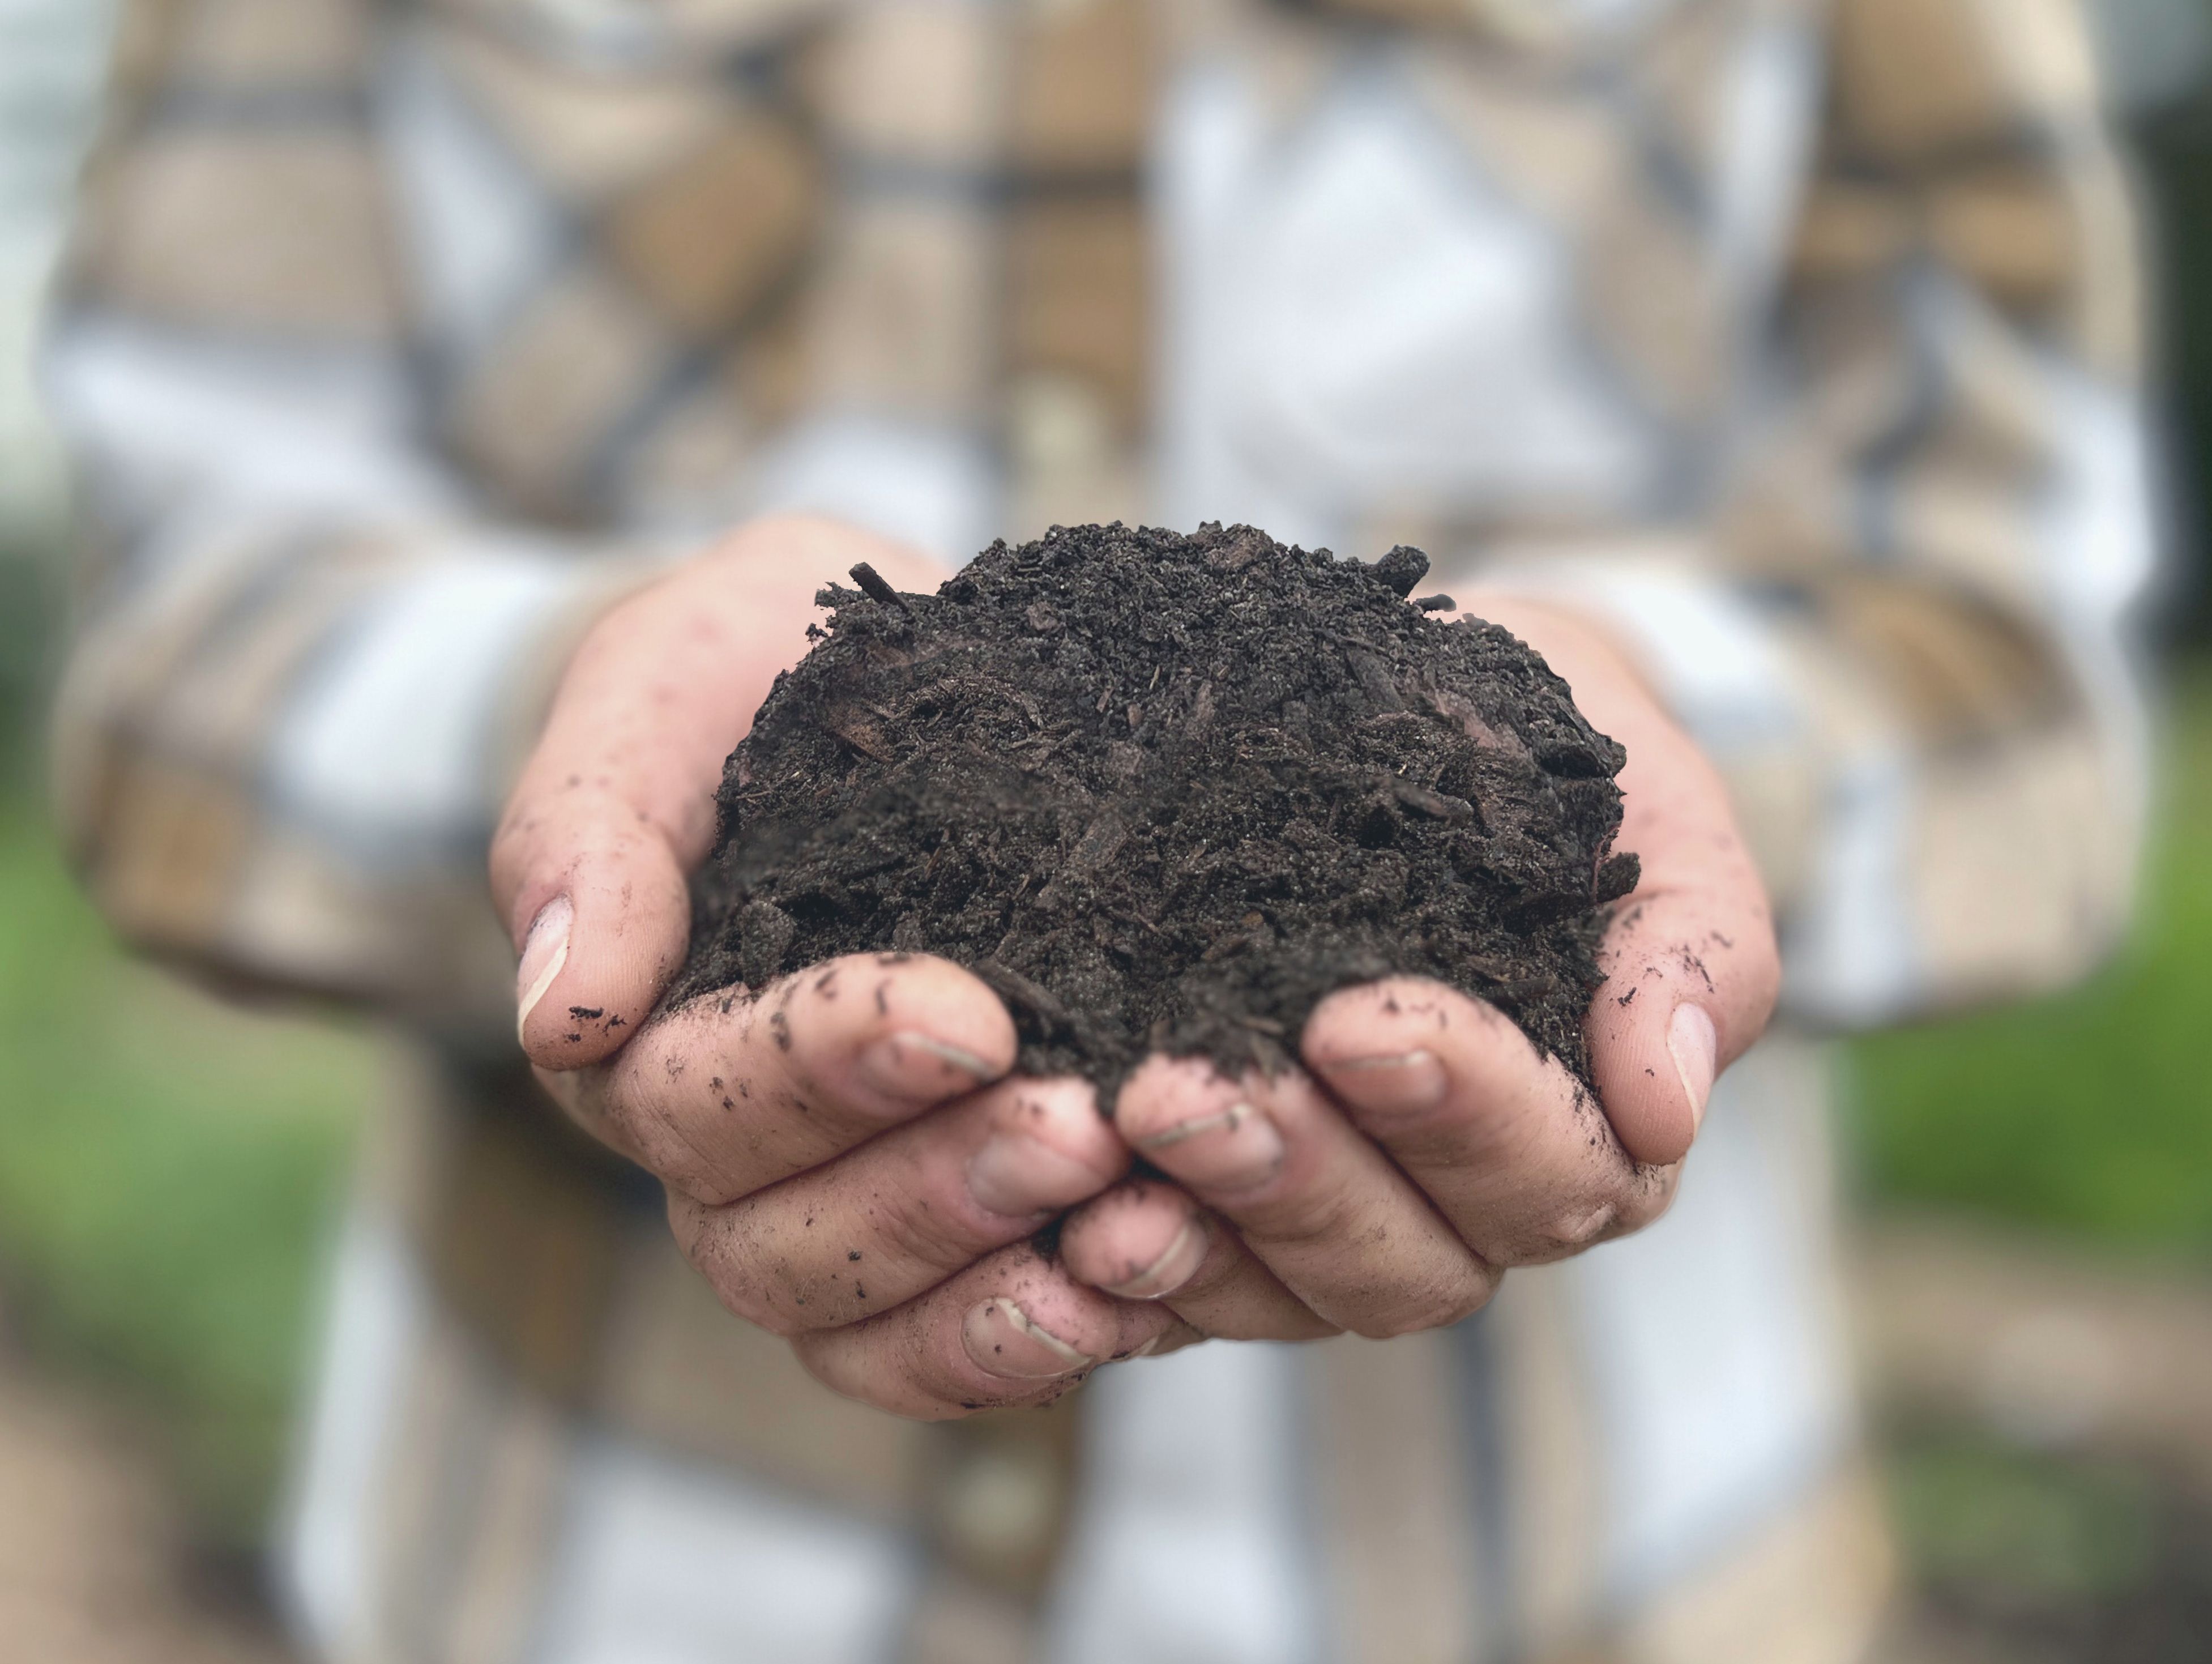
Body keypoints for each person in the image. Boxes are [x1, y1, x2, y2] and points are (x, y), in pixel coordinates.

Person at [45, 0, 2154, 1659]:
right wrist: (570, 757)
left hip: (1596, 1580)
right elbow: (182, 616)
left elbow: (2004, 641)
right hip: (594, 1574)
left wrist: (1656, 761)